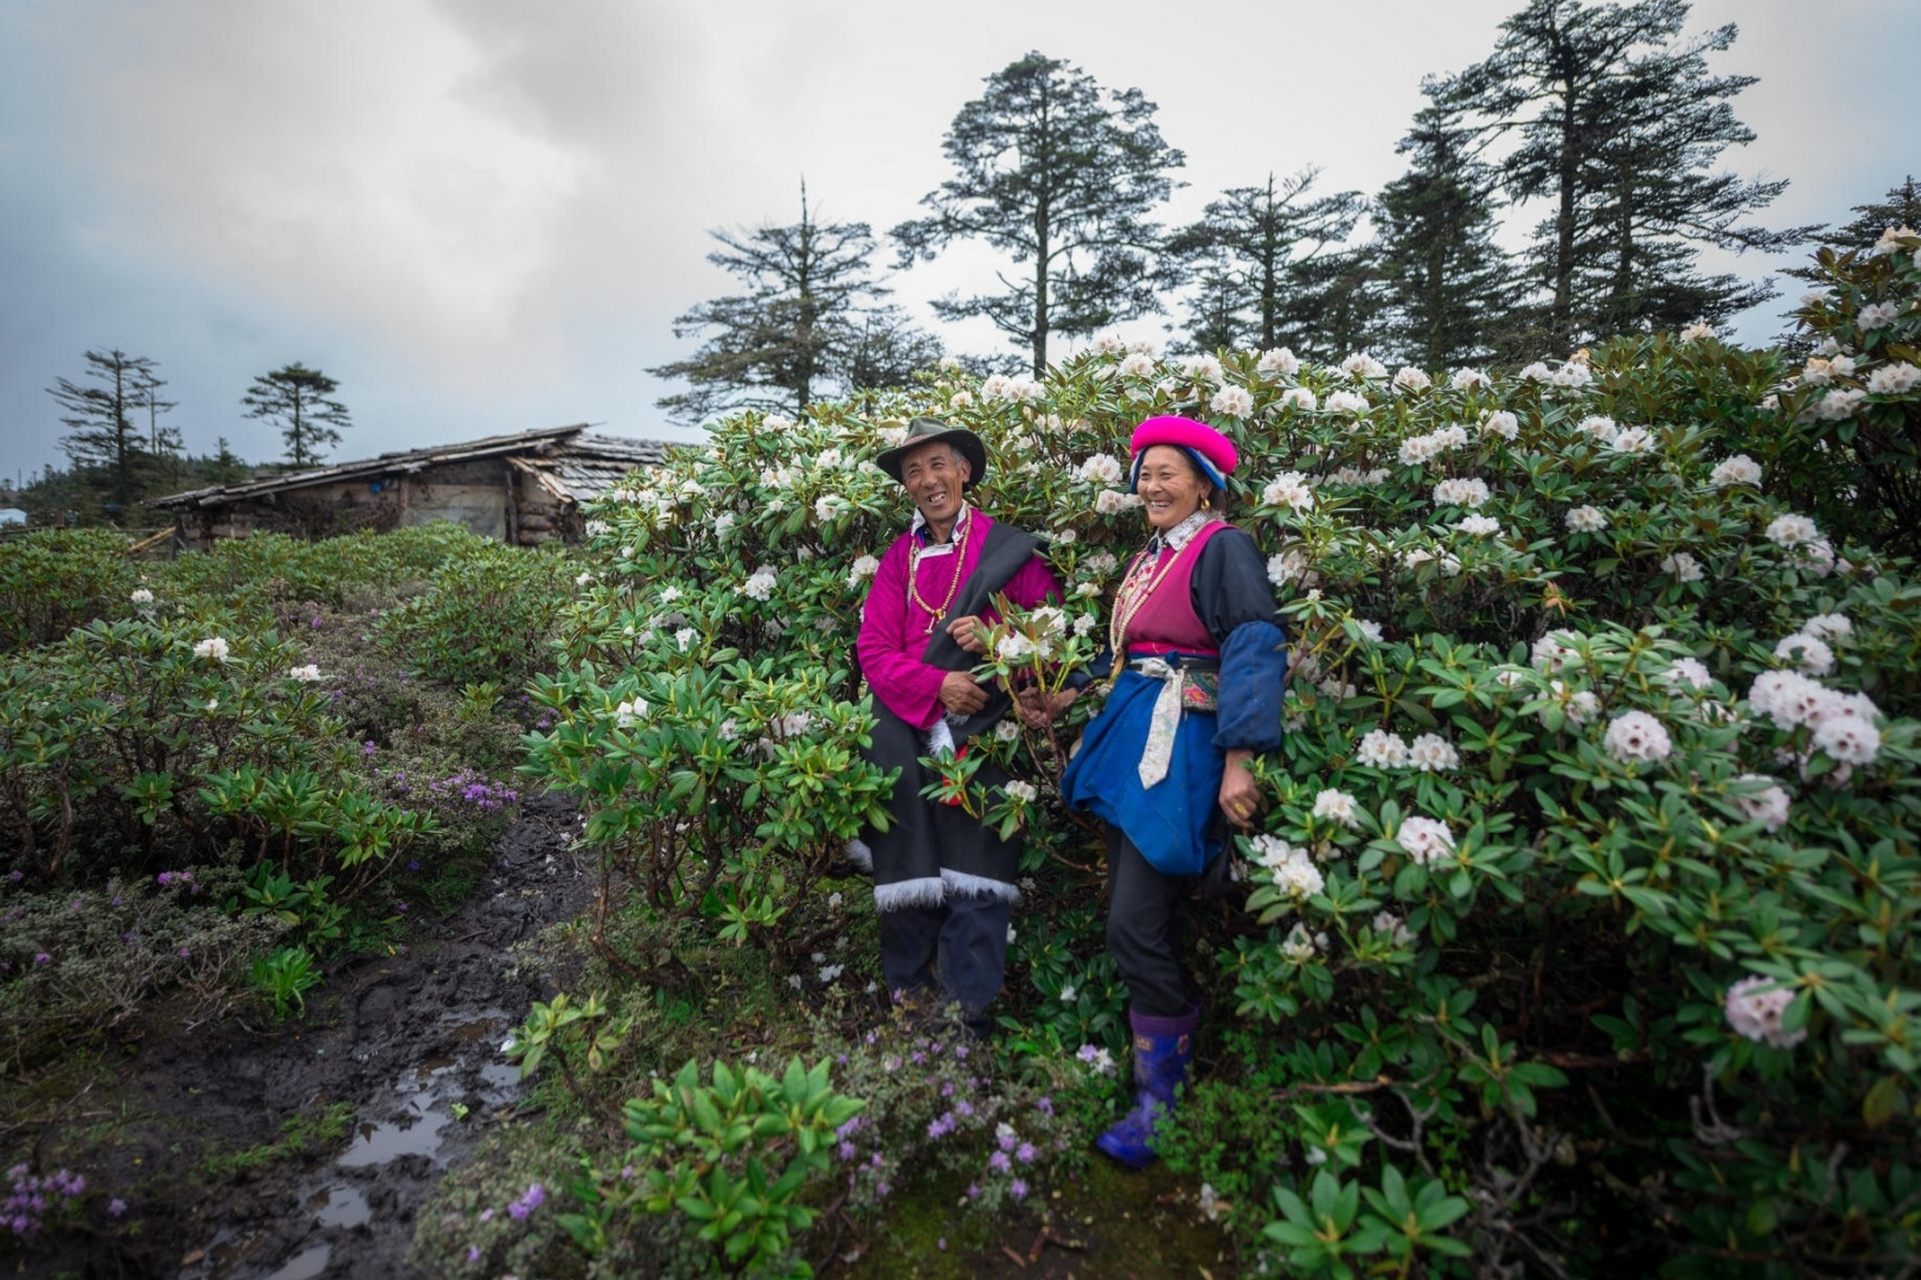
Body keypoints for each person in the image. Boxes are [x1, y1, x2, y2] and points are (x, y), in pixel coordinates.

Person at [1027, 415, 1286, 1167]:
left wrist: (1241, 757)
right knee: (1133, 916)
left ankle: (1160, 1105)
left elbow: (1253, 642)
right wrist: (1066, 694)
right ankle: (1154, 1083)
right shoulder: (1154, 554)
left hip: (1182, 750)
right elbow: (1131, 654)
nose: (1150, 486)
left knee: (1133, 925)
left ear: (1206, 484)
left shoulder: (1223, 547)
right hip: (1136, 733)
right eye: (1143, 474)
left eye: (1167, 473)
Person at [850, 416, 1063, 1036]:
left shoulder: (1009, 550)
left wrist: (997, 637)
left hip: (986, 726)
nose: (928, 480)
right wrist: (936, 685)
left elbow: (1052, 636)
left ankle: (965, 1020)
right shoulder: (900, 559)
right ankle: (914, 1013)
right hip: (904, 727)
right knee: (908, 864)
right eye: (914, 471)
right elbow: (873, 650)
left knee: (978, 869)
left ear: (964, 471)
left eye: (938, 464)